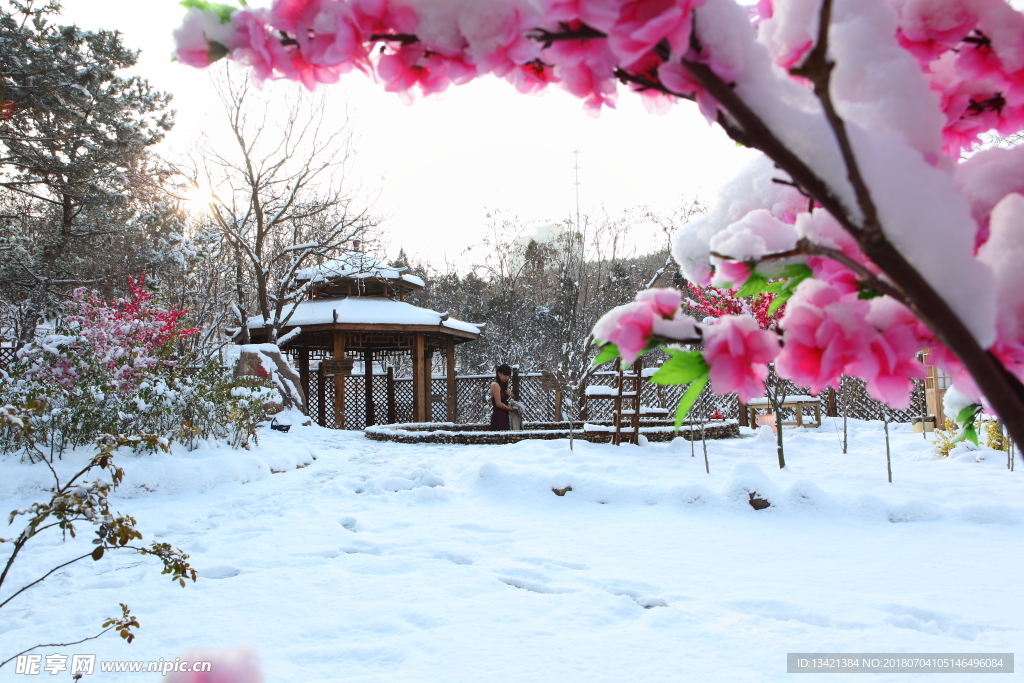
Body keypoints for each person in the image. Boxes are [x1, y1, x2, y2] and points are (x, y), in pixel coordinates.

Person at [489, 363, 517, 430]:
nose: (506, 377)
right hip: (498, 416)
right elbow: (498, 404)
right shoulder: (495, 385)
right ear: (499, 373)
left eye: (508, 375)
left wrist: (509, 394)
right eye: (504, 375)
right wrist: (512, 410)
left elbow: (503, 400)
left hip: (504, 415)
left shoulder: (502, 384)